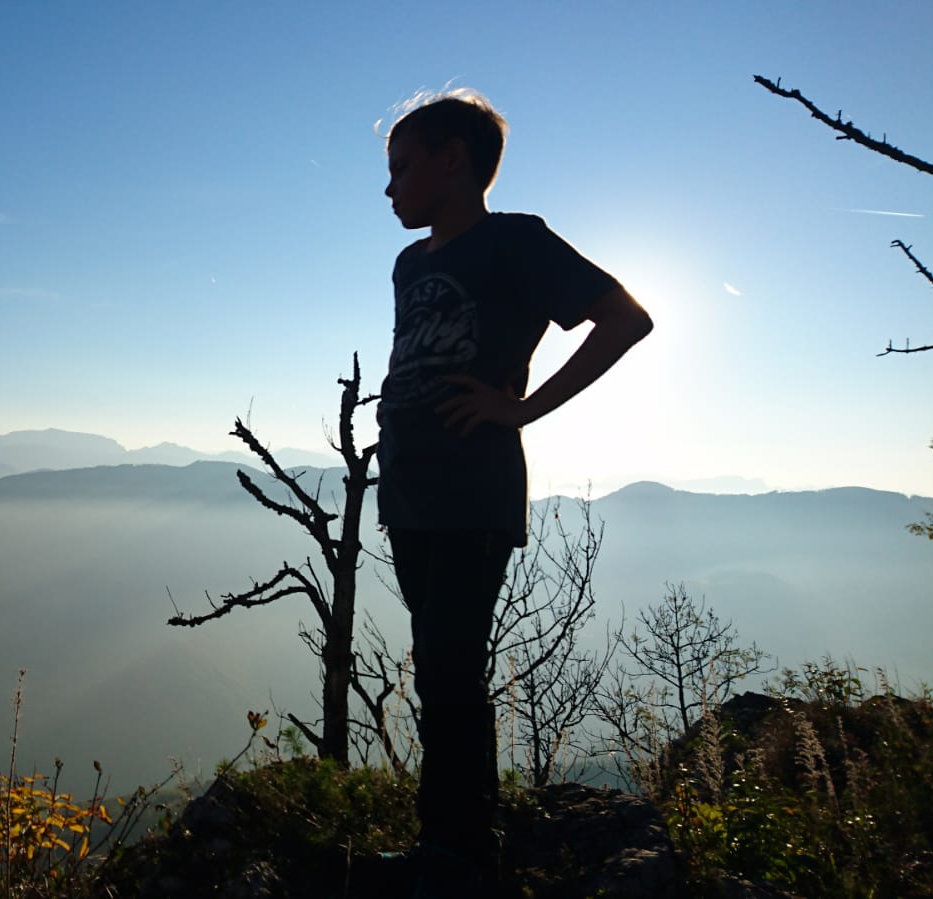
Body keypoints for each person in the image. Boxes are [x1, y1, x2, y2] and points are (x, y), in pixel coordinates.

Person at [377, 90, 653, 896]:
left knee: (451, 666)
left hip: (472, 488)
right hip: (410, 489)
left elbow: (624, 319)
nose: (389, 187)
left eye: (401, 166)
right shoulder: (410, 264)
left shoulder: (514, 242)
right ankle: (448, 841)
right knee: (436, 665)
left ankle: (459, 853)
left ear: (452, 159)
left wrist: (523, 408)